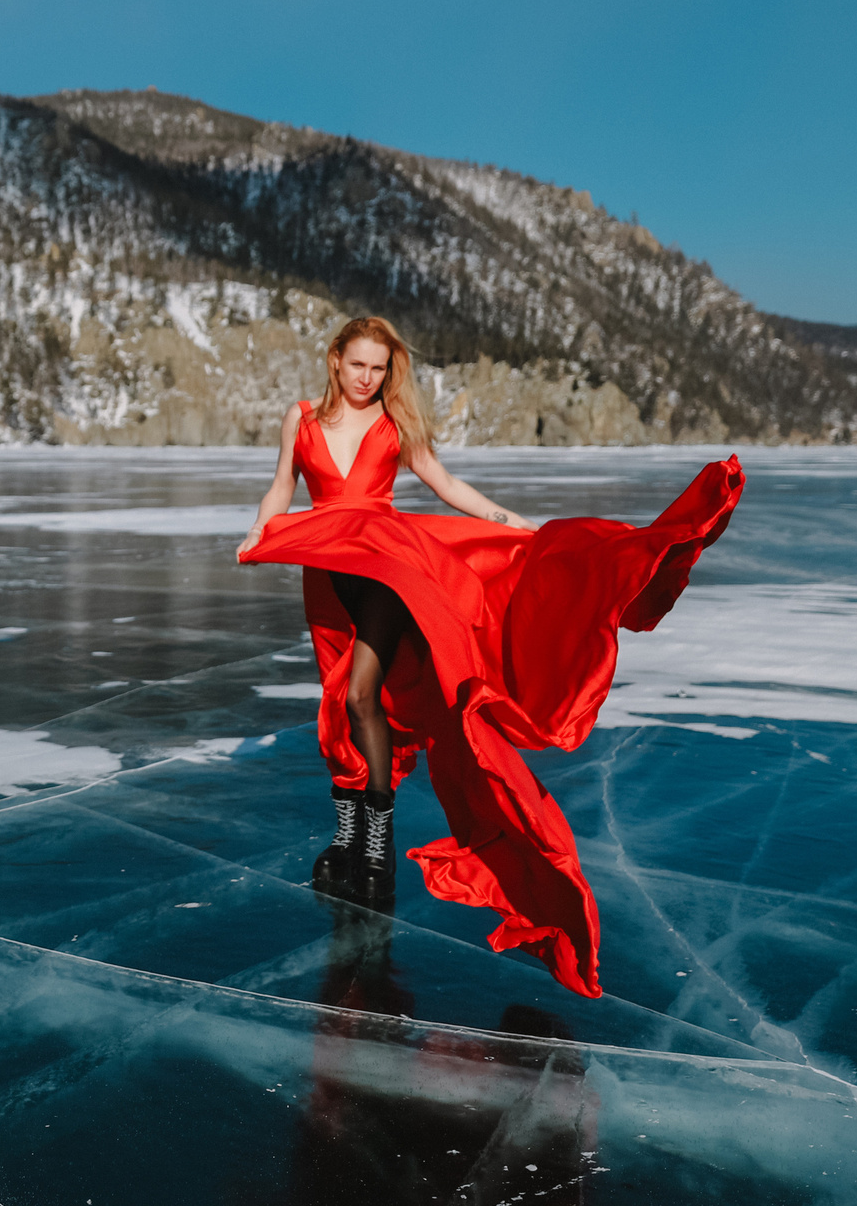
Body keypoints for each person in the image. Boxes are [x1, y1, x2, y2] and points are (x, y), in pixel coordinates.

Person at [237, 316, 743, 999]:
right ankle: (348, 837)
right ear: (334, 360)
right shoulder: (298, 419)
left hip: (390, 570)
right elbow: (281, 486)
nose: (367, 378)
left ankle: (378, 842)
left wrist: (510, 523)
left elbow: (446, 486)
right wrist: (261, 526)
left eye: (379, 368)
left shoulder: (394, 426)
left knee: (362, 693)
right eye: (357, 365)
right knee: (340, 704)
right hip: (327, 576)